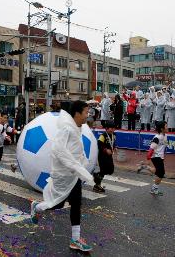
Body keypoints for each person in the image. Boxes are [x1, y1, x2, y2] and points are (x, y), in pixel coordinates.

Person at [30, 101, 94, 252]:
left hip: (73, 175)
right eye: (86, 112)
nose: (88, 115)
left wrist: (81, 163)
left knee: (76, 203)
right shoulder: (66, 128)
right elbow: (58, 150)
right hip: (63, 175)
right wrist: (76, 166)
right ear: (77, 113)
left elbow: (76, 149)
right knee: (57, 204)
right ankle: (37, 207)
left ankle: (75, 239)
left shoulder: (78, 127)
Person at [93, 120, 116, 193]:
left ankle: (96, 175)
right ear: (106, 129)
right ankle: (97, 185)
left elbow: (113, 143)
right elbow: (99, 144)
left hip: (109, 156)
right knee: (103, 171)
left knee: (111, 170)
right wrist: (106, 150)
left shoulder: (114, 135)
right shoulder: (103, 136)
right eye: (110, 128)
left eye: (113, 128)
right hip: (102, 157)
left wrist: (115, 147)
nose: (112, 130)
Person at [146, 121, 168, 195]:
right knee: (161, 173)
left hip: (160, 156)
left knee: (159, 172)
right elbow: (151, 149)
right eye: (166, 126)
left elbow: (163, 147)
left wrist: (163, 157)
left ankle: (146, 167)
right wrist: (148, 159)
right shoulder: (157, 137)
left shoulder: (165, 135)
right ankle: (154, 189)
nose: (167, 127)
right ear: (162, 129)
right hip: (155, 156)